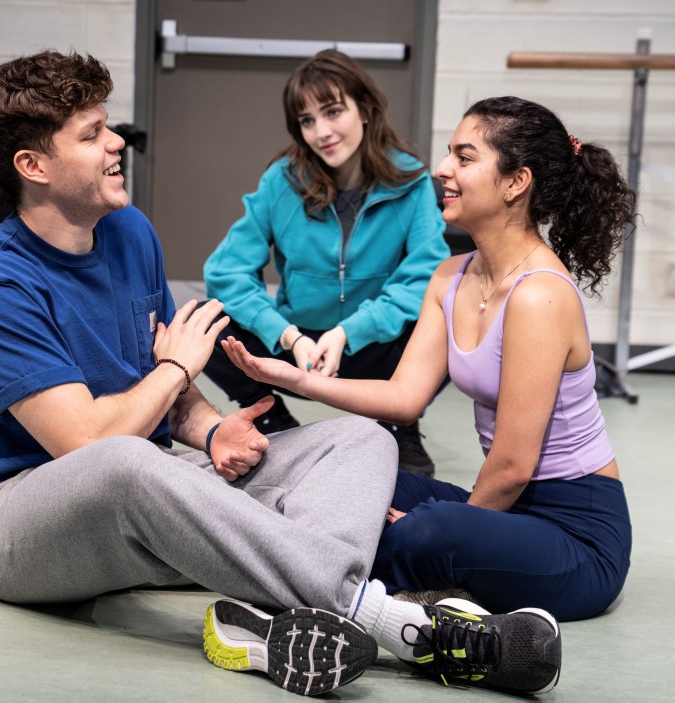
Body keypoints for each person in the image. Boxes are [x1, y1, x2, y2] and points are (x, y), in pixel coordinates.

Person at [0, 52, 561, 697]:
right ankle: (404, 626)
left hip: (149, 494)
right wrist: (180, 363)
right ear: (33, 166)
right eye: (92, 133)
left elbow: (163, 389)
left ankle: (271, 627)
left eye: (108, 125)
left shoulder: (128, 233)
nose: (115, 141)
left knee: (360, 439)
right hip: (18, 527)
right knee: (126, 462)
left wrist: (212, 432)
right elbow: (87, 445)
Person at [223, 95, 634, 623]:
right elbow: (403, 398)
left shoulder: (539, 295)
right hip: (511, 515)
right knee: (358, 470)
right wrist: (294, 380)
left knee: (432, 530)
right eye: (449, 155)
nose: (442, 169)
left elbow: (510, 468)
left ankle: (282, 566)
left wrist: (441, 525)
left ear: (515, 182)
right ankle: (321, 562)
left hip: (577, 537)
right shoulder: (452, 275)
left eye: (464, 158)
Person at [203, 49, 450, 476]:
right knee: (206, 325)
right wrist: (286, 335)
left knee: (450, 321)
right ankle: (268, 416)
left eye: (333, 112)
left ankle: (399, 419)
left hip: (374, 346)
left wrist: (350, 331)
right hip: (297, 348)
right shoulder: (282, 180)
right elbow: (225, 273)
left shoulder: (410, 183)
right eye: (307, 121)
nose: (322, 132)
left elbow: (425, 276)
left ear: (366, 109)